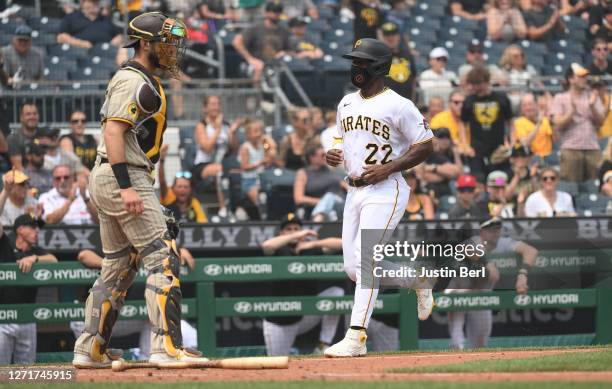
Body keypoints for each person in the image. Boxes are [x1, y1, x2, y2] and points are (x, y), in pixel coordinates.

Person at [73, 12, 208, 368]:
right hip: (123, 177)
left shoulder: (144, 79)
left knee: (118, 266)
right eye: (166, 42)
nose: (172, 49)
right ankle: (166, 348)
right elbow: (113, 132)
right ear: (145, 43)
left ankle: (90, 348)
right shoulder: (133, 79)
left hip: (116, 175)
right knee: (162, 256)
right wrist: (127, 187)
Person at [324, 38, 435, 358]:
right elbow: (341, 139)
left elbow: (427, 144)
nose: (356, 67)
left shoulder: (399, 104)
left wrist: (388, 168)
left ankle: (356, 336)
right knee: (352, 268)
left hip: (387, 189)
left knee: (366, 261)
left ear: (379, 67)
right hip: (355, 188)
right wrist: (334, 153)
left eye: (362, 62)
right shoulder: (346, 103)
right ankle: (417, 279)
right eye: (354, 61)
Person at [71, 247, 198, 360]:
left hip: (119, 319)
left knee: (153, 314)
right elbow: (84, 254)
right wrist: (112, 266)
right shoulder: (115, 248)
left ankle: (146, 357)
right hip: (88, 319)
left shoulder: (146, 251)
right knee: (86, 357)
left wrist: (178, 250)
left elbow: (164, 249)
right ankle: (87, 355)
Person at [446, 217, 536, 349]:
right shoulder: (475, 242)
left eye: (498, 230)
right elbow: (463, 248)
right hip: (459, 291)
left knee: (480, 344)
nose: (496, 233)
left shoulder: (504, 243)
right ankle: (456, 342)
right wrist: (486, 262)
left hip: (482, 294)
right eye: (492, 230)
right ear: (482, 232)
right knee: (457, 340)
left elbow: (531, 251)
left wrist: (522, 275)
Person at [260, 214, 343, 356]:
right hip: (279, 320)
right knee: (277, 363)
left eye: (296, 228)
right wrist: (297, 234)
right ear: (281, 233)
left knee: (336, 293)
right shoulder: (279, 250)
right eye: (289, 229)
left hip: (305, 313)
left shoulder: (308, 249)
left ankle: (323, 344)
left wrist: (314, 243)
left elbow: (343, 243)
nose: (293, 232)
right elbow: (267, 246)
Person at [0, 213, 57, 365]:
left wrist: (34, 258)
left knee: (26, 369)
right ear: (20, 229)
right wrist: (5, 192)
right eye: (32, 227)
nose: (36, 231)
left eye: (37, 227)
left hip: (28, 317)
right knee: (1, 367)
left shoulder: (36, 251)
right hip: (4, 317)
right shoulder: (7, 244)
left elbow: (54, 260)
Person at [550, 63, 606, 182]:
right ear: (570, 79)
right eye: (580, 76)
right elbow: (558, 123)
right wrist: (571, 112)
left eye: (585, 76)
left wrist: (592, 106)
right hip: (571, 149)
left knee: (595, 183)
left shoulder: (592, 96)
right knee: (571, 186)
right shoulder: (560, 98)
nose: (584, 79)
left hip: (592, 148)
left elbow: (601, 122)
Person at [192, 95, 241, 213]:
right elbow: (207, 148)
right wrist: (218, 129)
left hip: (224, 163)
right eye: (213, 104)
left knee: (237, 169)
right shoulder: (201, 125)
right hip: (204, 165)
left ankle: (239, 208)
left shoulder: (226, 125)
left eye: (218, 104)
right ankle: (224, 208)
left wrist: (232, 133)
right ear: (205, 108)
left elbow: (234, 149)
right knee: (221, 170)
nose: (216, 107)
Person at [461, 66, 514, 176]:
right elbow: (462, 123)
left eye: (479, 84)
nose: (476, 87)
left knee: (499, 181)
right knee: (478, 183)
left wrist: (511, 143)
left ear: (487, 81)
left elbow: (510, 122)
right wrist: (465, 145)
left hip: (498, 150)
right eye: (474, 84)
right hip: (476, 152)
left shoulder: (501, 98)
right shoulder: (469, 100)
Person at [232, 1, 291, 85]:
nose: (276, 14)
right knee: (259, 68)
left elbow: (291, 49)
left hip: (276, 63)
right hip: (257, 62)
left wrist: (284, 52)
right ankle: (258, 96)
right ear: (266, 13)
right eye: (274, 12)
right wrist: (250, 59)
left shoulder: (283, 30)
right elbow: (237, 41)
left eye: (279, 12)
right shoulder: (256, 28)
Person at [294, 145, 347, 222]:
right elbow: (299, 199)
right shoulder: (303, 173)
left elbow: (347, 187)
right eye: (322, 155)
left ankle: (316, 223)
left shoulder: (333, 170)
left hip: (340, 204)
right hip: (319, 207)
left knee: (330, 196)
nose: (325, 157)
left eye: (326, 155)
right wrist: (323, 202)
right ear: (312, 157)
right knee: (330, 207)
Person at [159, 147, 208, 224]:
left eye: (186, 187)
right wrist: (161, 161)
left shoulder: (194, 203)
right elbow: (162, 182)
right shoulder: (168, 199)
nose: (183, 189)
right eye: (179, 186)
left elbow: (203, 225)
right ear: (173, 189)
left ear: (191, 189)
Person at [238, 119, 277, 215]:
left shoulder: (263, 145)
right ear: (248, 134)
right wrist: (260, 163)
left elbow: (271, 152)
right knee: (261, 201)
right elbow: (244, 166)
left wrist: (268, 140)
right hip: (249, 181)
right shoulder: (245, 147)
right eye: (255, 131)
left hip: (263, 179)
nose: (259, 134)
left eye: (260, 131)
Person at [57, 0, 123, 49]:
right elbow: (61, 37)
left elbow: (119, 35)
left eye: (97, 2)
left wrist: (114, 43)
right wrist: (79, 43)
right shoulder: (71, 17)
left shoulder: (106, 20)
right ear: (83, 3)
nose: (96, 4)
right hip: (80, 54)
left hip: (105, 54)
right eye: (92, 2)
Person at [420, 128, 463, 198]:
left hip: (447, 188)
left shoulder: (447, 154)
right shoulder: (427, 154)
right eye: (441, 138)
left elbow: (459, 173)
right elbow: (424, 175)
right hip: (432, 189)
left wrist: (434, 168)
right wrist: (447, 175)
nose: (444, 141)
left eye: (447, 138)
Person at [380, 22, 417, 101]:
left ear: (399, 37)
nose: (390, 38)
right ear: (382, 38)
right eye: (387, 35)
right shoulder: (378, 57)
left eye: (393, 34)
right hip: (386, 104)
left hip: (406, 104)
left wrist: (412, 102)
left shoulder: (407, 55)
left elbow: (413, 79)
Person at [430, 91, 473, 156]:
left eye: (463, 103)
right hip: (448, 157)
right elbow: (434, 144)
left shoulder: (473, 119)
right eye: (456, 102)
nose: (460, 105)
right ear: (449, 103)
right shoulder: (438, 119)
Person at [498, 45, 539, 110]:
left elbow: (539, 85)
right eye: (516, 56)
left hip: (529, 97)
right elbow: (504, 89)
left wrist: (547, 96)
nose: (520, 58)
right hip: (513, 99)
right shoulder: (505, 71)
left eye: (521, 55)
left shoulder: (529, 69)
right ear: (509, 58)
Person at [513, 93, 554, 158]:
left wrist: (553, 122)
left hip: (548, 157)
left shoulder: (545, 120)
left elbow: (555, 139)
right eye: (524, 105)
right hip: (530, 158)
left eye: (530, 104)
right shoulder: (519, 122)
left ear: (537, 105)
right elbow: (525, 143)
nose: (528, 108)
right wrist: (538, 124)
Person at [7, 103, 40, 170]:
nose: (32, 117)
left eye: (35, 114)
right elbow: (18, 168)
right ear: (21, 118)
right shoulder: (14, 139)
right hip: (25, 177)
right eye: (28, 114)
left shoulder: (44, 135)